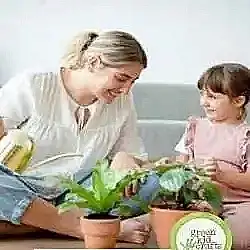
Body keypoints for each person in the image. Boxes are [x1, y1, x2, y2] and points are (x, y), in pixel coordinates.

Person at [0, 30, 159, 244]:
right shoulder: (35, 83)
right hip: (23, 187)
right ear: (93, 62)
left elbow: (131, 152)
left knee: (153, 183)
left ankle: (39, 222)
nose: (126, 89)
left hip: (80, 193)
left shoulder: (123, 101)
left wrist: (125, 158)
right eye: (122, 78)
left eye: (133, 81)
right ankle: (86, 226)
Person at [175, 63, 250, 249]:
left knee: (241, 238)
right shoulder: (195, 127)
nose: (203, 102)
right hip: (198, 197)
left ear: (238, 101)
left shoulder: (245, 136)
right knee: (172, 218)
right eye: (202, 94)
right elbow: (179, 166)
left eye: (212, 97)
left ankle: (214, 232)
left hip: (238, 202)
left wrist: (220, 175)